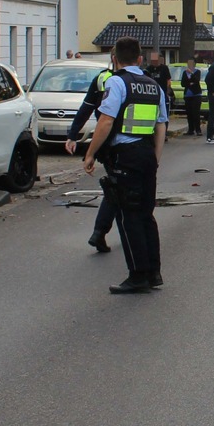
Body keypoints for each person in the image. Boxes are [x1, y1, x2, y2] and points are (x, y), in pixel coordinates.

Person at [83, 37, 169, 294]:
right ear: (140, 59)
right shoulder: (154, 86)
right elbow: (161, 125)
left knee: (128, 216)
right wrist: (155, 158)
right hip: (146, 155)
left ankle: (137, 276)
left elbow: (106, 121)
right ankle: (154, 272)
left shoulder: (116, 82)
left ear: (115, 59)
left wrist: (89, 154)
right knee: (146, 215)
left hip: (125, 156)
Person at [65, 48, 118, 252]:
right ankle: (106, 232)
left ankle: (100, 232)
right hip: (133, 144)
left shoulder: (101, 79)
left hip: (106, 142)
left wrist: (73, 135)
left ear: (113, 58)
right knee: (124, 192)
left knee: (115, 189)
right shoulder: (140, 79)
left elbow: (86, 108)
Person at [144, 51, 176, 138]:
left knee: (163, 115)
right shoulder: (148, 69)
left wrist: (168, 91)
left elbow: (168, 80)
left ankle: (163, 134)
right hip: (152, 96)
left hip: (163, 95)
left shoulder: (164, 68)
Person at [181, 57, 204, 135]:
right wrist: (190, 83)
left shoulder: (197, 72)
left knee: (196, 113)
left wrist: (191, 73)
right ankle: (190, 130)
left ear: (194, 64)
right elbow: (183, 83)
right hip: (187, 95)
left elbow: (197, 80)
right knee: (189, 113)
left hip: (196, 94)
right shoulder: (184, 72)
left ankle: (198, 130)